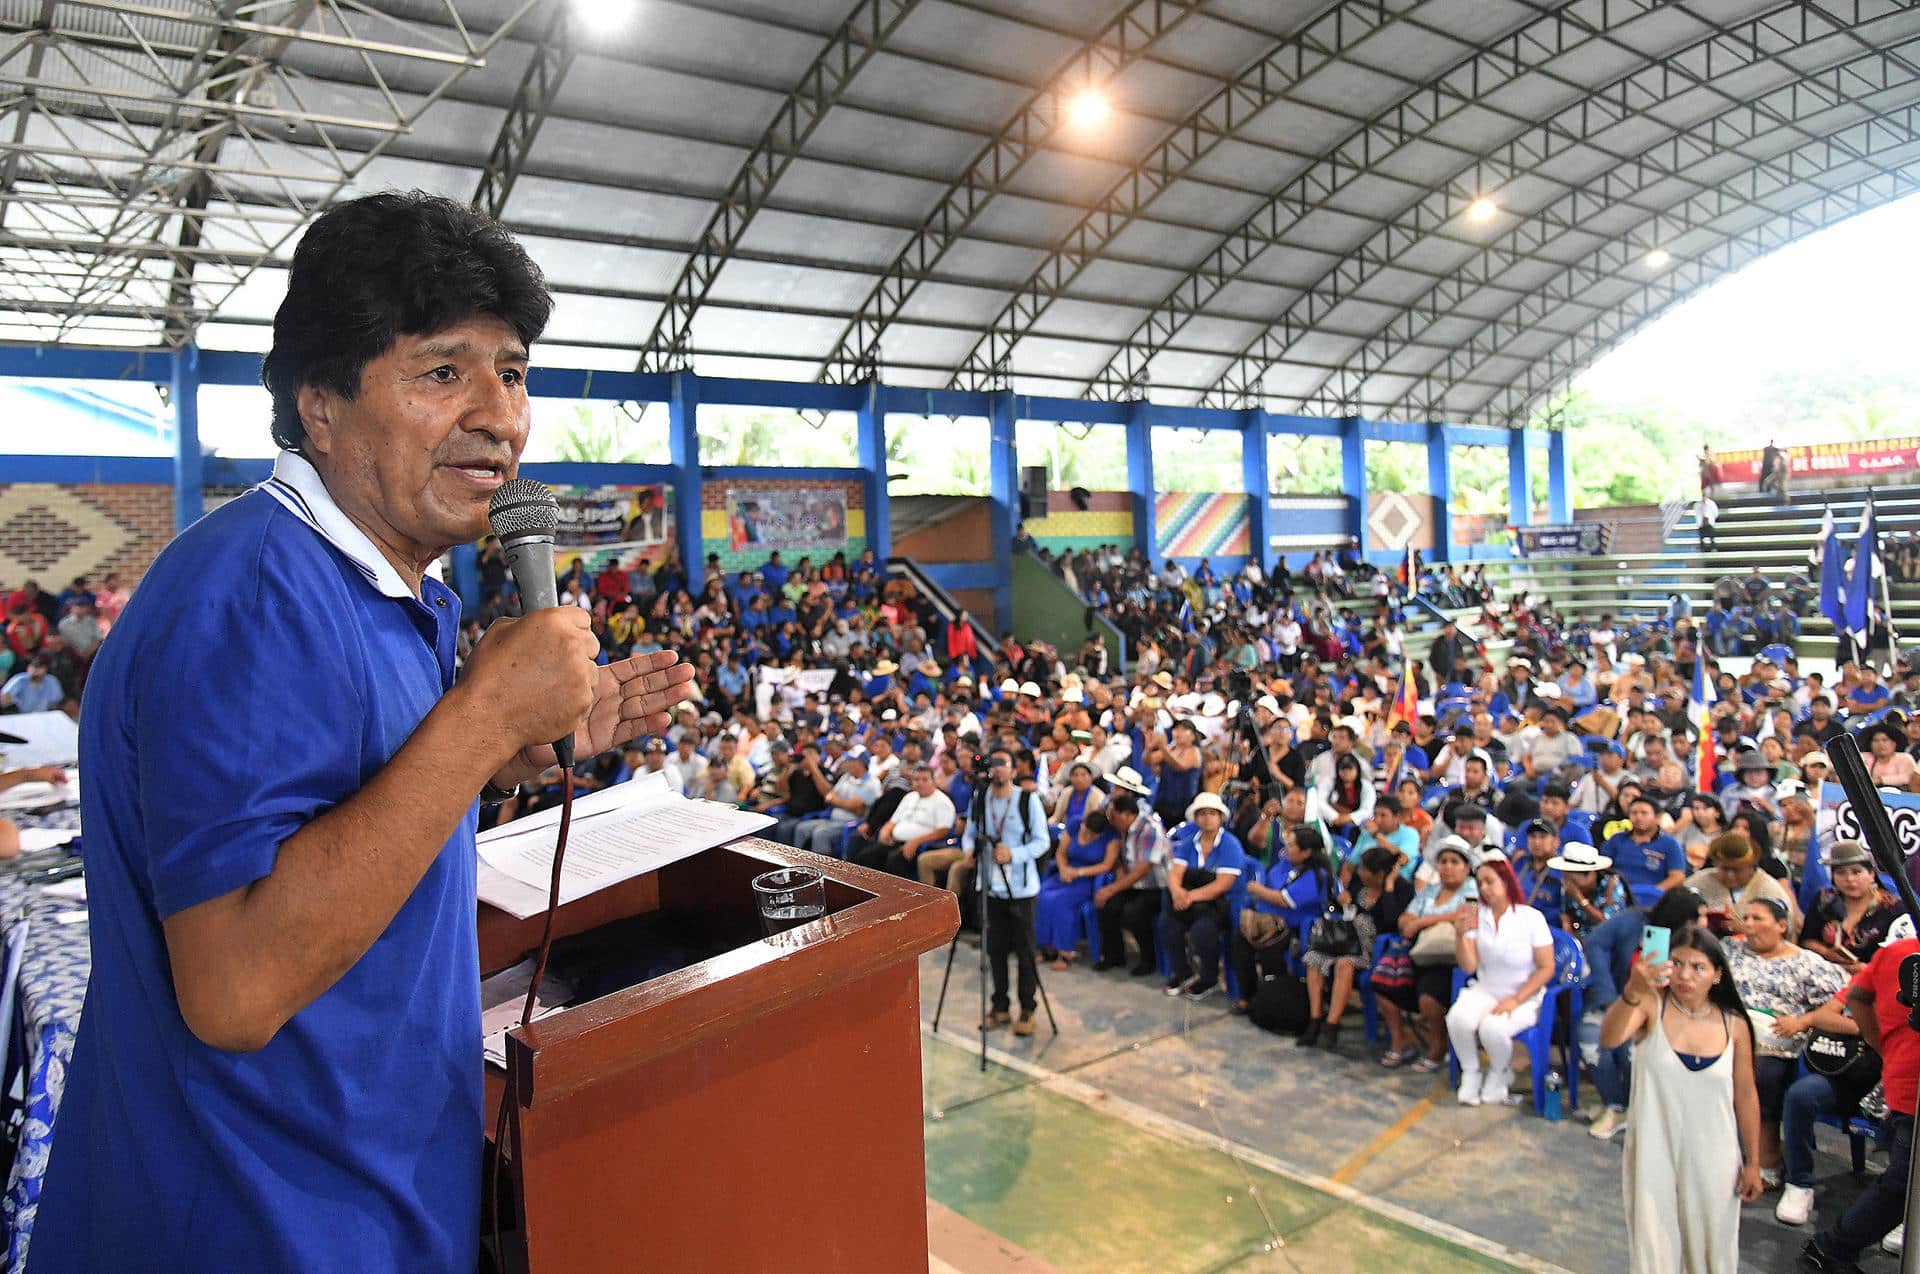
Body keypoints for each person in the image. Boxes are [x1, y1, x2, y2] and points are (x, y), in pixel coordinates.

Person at [31, 193, 698, 1272]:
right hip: (255, 1223)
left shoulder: (389, 589)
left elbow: (343, 824)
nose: (500, 414)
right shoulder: (255, 598)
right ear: (322, 405)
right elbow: (236, 984)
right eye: (443, 372)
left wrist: (510, 747)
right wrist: (480, 717)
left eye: (513, 370)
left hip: (365, 1199)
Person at [1604, 925, 1764, 1273]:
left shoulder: (1734, 1025)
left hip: (1716, 1155)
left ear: (1717, 975)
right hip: (1653, 1150)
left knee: (1713, 1250)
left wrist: (1753, 1161)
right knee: (1653, 1248)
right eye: (1677, 963)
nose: (1685, 975)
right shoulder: (1650, 1006)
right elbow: (1610, 1038)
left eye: (1698, 967)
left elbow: (1746, 1095)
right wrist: (1633, 988)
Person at [1801, 921, 1920, 1271]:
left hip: (1901, 1076)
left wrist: (1879, 1043)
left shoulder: (1894, 952)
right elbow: (1855, 997)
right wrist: (1882, 1044)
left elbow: (1858, 997)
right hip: (1910, 1086)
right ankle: (1832, 1247)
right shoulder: (1900, 953)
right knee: (1904, 1181)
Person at [1724, 897, 1847, 1187]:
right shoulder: (1730, 950)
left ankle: (1767, 1160)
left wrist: (1802, 1022)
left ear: (1781, 925)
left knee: (1761, 1072)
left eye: (1758, 919)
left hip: (1778, 1039)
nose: (1749, 925)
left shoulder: (1806, 963)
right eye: (1746, 918)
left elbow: (1839, 1003)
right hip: (1728, 1030)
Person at [1448, 852, 1556, 1106]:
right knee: (1457, 1019)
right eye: (1480, 883)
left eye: (1490, 882)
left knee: (1492, 1028)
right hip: (1485, 988)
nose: (1484, 889)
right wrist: (1460, 936)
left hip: (1524, 994)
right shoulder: (1475, 913)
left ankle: (1500, 1072)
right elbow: (1470, 965)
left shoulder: (1531, 917)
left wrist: (1515, 1000)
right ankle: (1471, 1072)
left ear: (1506, 882)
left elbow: (1546, 967)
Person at [960, 748, 1050, 1037]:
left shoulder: (1027, 800)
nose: (997, 769)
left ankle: (1027, 1008)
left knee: (1024, 950)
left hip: (1021, 887)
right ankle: (999, 1006)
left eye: (1004, 764)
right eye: (994, 763)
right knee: (994, 949)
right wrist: (968, 851)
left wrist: (1015, 854)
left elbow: (1042, 842)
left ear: (1013, 770)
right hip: (990, 885)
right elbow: (970, 832)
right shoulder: (981, 798)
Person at [1385, 837, 1477, 1073]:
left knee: (1429, 994)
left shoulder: (1472, 889)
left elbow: (1463, 916)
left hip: (1449, 958)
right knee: (1381, 981)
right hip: (1418, 950)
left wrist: (1422, 922)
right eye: (1443, 861)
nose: (1447, 866)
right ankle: (1400, 1041)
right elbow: (1405, 918)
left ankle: (1438, 1046)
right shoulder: (1431, 890)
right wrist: (1413, 923)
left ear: (1466, 867)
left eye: (1454, 861)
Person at [1164, 791, 1248, 1001]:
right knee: (1168, 924)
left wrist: (1189, 896)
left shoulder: (1230, 844)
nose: (1207, 818)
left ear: (1220, 817)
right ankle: (1183, 972)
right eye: (1202, 813)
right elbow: (1175, 874)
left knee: (1203, 931)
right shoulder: (1188, 844)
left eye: (1212, 813)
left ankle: (1209, 978)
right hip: (1191, 901)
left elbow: (1223, 884)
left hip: (1220, 904)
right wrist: (1177, 892)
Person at [1095, 782, 1169, 977]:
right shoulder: (1124, 829)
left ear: (1126, 814)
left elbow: (1141, 871)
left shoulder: (1150, 829)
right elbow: (1122, 859)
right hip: (1134, 884)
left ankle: (1148, 959)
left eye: (1114, 816)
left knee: (1133, 911)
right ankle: (1114, 956)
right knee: (1107, 905)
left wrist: (1111, 888)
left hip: (1156, 887)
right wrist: (1118, 873)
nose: (1111, 820)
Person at [1800, 840, 1901, 974]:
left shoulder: (1894, 908)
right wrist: (1826, 953)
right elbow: (1806, 940)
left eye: (1856, 872)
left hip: (1876, 979)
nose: (1849, 879)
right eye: (1841, 873)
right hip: (1828, 975)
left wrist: (1867, 971)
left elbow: (1901, 955)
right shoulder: (1824, 900)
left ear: (1871, 875)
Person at [1034, 807, 1119, 969]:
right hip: (1066, 872)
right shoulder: (1074, 824)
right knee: (1042, 895)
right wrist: (1064, 868)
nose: (1086, 835)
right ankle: (1045, 947)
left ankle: (1064, 952)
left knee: (1061, 901)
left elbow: (1107, 865)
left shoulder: (1110, 835)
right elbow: (1061, 852)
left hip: (1088, 878)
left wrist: (1079, 872)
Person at [1687, 832, 1798, 939]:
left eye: (1737, 870)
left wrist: (1746, 928)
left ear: (1751, 867)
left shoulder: (1770, 890)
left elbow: (1785, 929)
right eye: (1725, 869)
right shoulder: (1698, 882)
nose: (1730, 875)